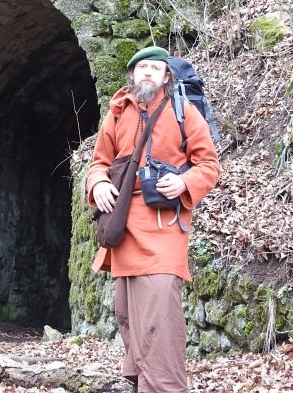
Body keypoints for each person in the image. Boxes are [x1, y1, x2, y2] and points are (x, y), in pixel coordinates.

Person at [86, 45, 221, 392]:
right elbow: (99, 163)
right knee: (128, 315)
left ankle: (165, 387)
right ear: (132, 75)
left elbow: (209, 166)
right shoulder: (116, 114)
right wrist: (99, 184)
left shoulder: (184, 112)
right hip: (124, 225)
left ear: (166, 76)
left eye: (155, 68)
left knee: (159, 315)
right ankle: (140, 384)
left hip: (164, 225)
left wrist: (183, 182)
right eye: (142, 67)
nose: (147, 73)